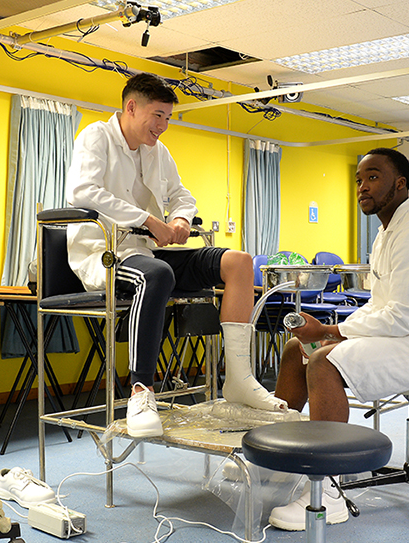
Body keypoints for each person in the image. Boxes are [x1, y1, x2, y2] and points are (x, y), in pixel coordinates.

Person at [66, 72, 286, 438]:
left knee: (239, 262)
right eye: (158, 116)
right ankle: (141, 390)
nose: (163, 125)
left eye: (168, 118)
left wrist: (181, 217)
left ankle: (239, 379)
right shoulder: (96, 137)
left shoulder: (159, 152)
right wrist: (149, 219)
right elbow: (83, 192)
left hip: (149, 251)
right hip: (106, 253)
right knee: (158, 275)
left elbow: (182, 195)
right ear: (131, 107)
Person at [269, 147, 409, 531]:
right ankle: (285, 463)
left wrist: (330, 333)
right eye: (359, 180)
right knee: (299, 350)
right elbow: (377, 306)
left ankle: (329, 493)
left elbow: (405, 315)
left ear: (401, 183)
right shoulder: (384, 234)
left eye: (373, 177)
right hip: (398, 336)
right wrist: (327, 331)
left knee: (325, 361)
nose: (362, 187)